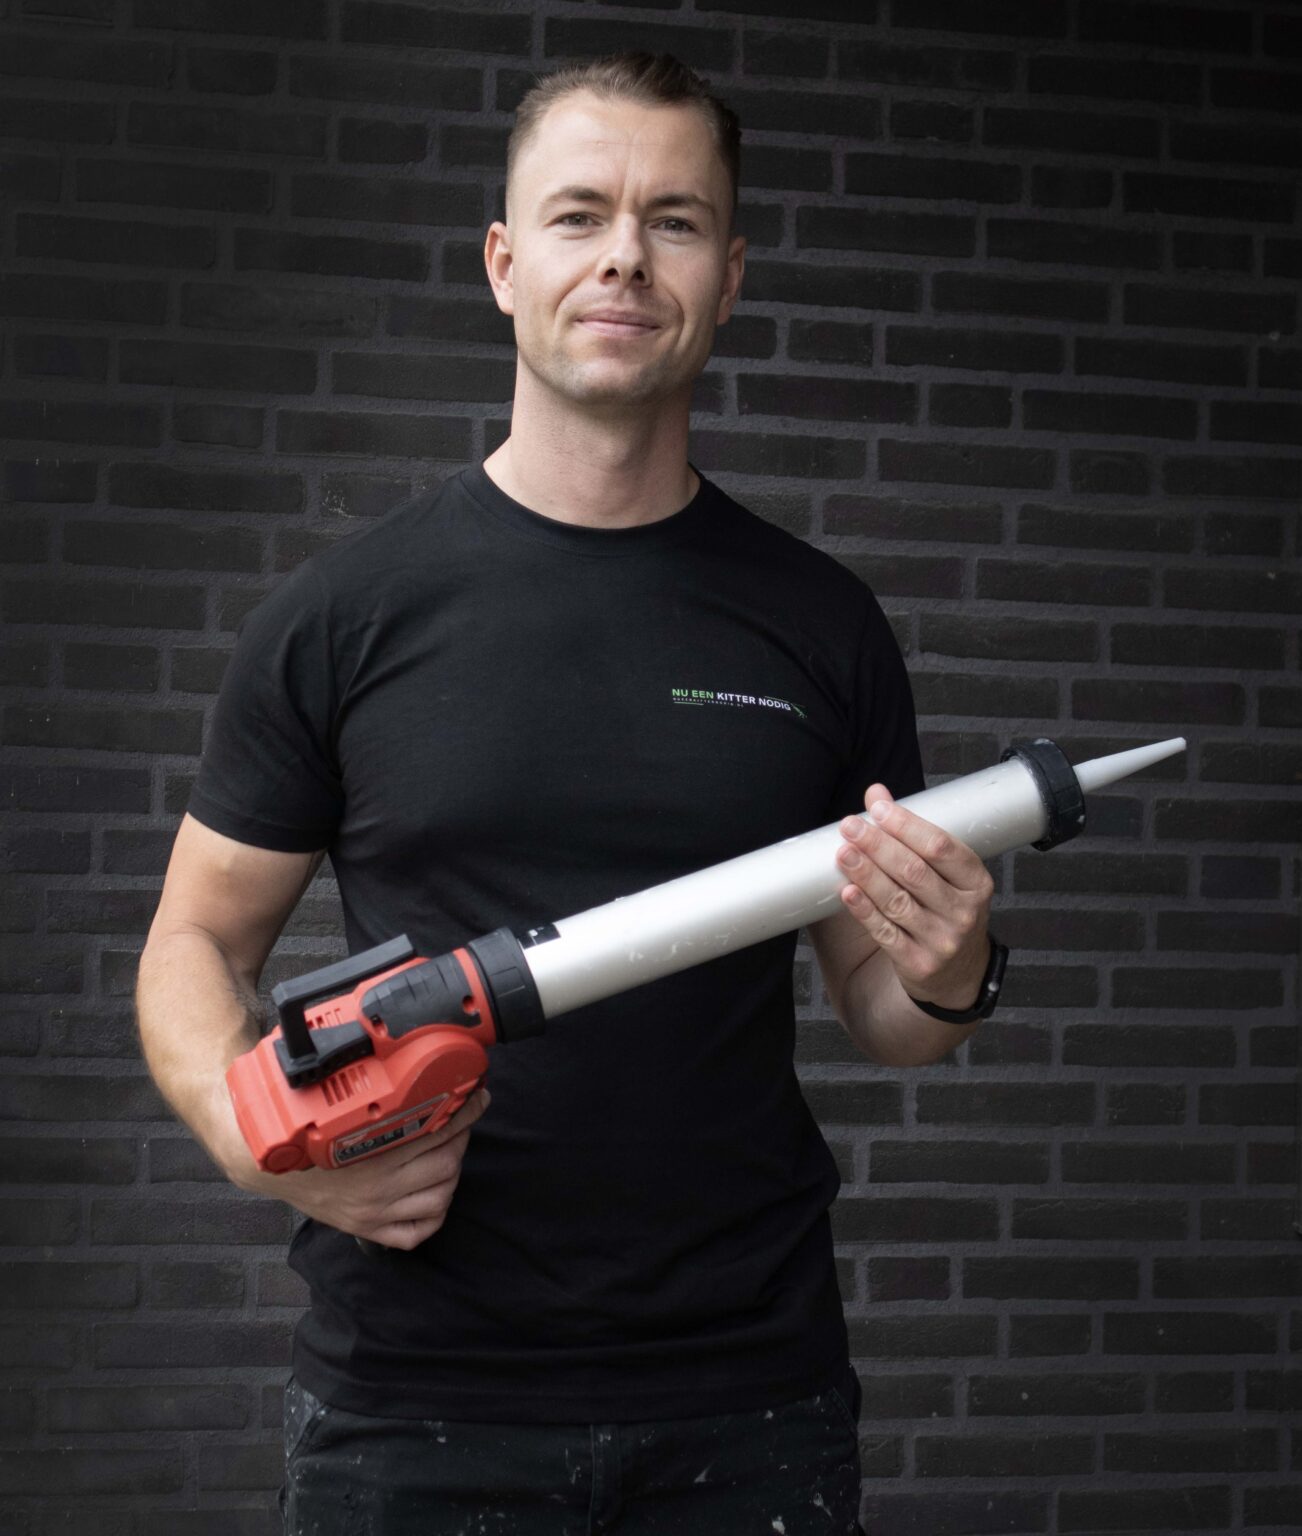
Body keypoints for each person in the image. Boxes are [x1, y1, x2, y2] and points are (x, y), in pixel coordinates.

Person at [136, 53, 998, 1536]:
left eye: (675, 221)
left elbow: (883, 1010)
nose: (624, 257)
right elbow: (193, 941)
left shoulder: (821, 625)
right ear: (503, 262)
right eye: (580, 213)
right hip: (411, 1399)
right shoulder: (344, 616)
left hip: (749, 1395)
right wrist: (254, 1143)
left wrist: (954, 965)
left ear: (728, 277)